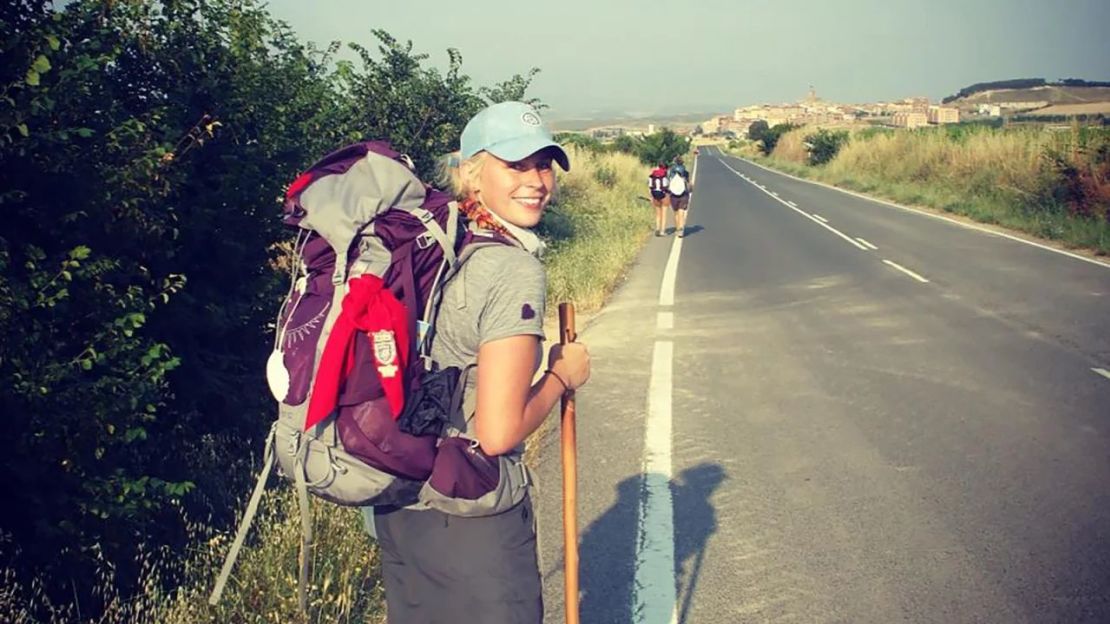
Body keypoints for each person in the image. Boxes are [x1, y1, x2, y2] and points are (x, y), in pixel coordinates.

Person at [368, 101, 591, 623]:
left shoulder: (429, 248)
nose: (537, 180)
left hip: (399, 504)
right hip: (472, 512)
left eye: (544, 164)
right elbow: (496, 432)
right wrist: (562, 374)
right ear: (472, 172)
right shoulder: (509, 267)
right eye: (515, 165)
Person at [667, 155, 693, 237]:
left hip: (673, 195)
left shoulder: (671, 171)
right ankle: (681, 229)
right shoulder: (685, 172)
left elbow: (668, 182)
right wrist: (690, 191)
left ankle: (678, 228)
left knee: (676, 213)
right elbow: (690, 184)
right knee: (681, 211)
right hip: (683, 194)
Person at [648, 162, 670, 236]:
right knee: (664, 214)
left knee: (658, 214)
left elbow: (650, 186)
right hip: (664, 195)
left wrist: (651, 196)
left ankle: (657, 228)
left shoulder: (653, 174)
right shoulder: (665, 174)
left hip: (655, 195)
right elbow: (667, 185)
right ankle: (662, 231)